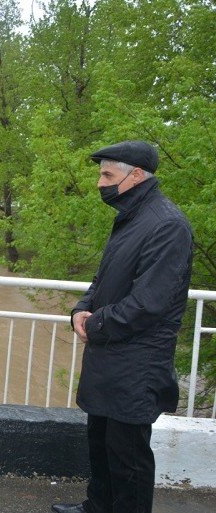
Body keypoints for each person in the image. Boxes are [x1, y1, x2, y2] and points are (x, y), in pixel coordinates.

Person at [52, 141, 193, 513]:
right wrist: (81, 309)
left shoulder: (167, 226)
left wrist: (94, 324)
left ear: (135, 176)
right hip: (111, 359)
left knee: (128, 458)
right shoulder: (133, 217)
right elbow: (103, 280)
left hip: (137, 365)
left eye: (107, 175)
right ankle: (96, 507)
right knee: (100, 443)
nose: (100, 183)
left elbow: (149, 304)